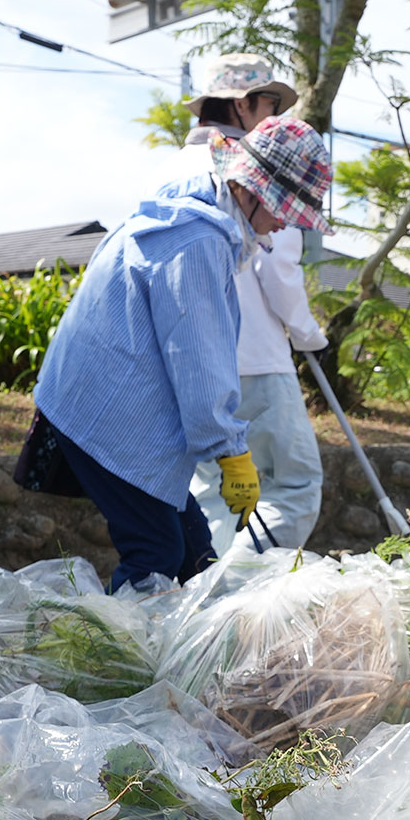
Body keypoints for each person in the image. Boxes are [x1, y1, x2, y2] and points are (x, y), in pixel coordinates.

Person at [33, 116, 332, 591]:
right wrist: (231, 454)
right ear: (250, 191)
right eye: (283, 210)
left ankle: (189, 638)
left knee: (196, 553)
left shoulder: (196, 210)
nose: (282, 225)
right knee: (155, 554)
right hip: (107, 414)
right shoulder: (198, 240)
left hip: (98, 399)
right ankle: (113, 642)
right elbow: (198, 360)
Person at [159, 55, 332, 556]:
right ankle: (231, 589)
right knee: (293, 487)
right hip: (257, 357)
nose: (273, 116)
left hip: (188, 365)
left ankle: (208, 586)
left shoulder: (168, 169)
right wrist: (309, 335)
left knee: (211, 495)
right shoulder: (255, 173)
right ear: (242, 104)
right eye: (270, 103)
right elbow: (279, 270)